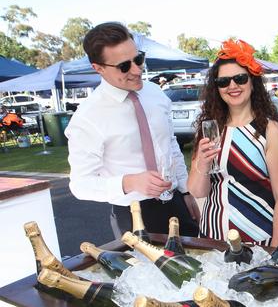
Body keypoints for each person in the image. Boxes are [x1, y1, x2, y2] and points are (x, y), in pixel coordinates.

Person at [65, 22, 200, 238]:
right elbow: (80, 185)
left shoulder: (155, 94)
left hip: (176, 203)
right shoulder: (88, 118)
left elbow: (170, 145)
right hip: (133, 215)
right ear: (98, 68)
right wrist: (129, 182)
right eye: (124, 66)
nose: (137, 70)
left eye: (139, 59)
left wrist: (185, 191)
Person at [187, 38, 278, 247]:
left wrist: (276, 251)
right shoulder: (210, 128)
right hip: (213, 236)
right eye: (223, 82)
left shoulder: (269, 130)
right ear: (217, 88)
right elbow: (197, 192)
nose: (232, 86)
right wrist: (203, 164)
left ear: (252, 82)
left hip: (258, 237)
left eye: (240, 78)